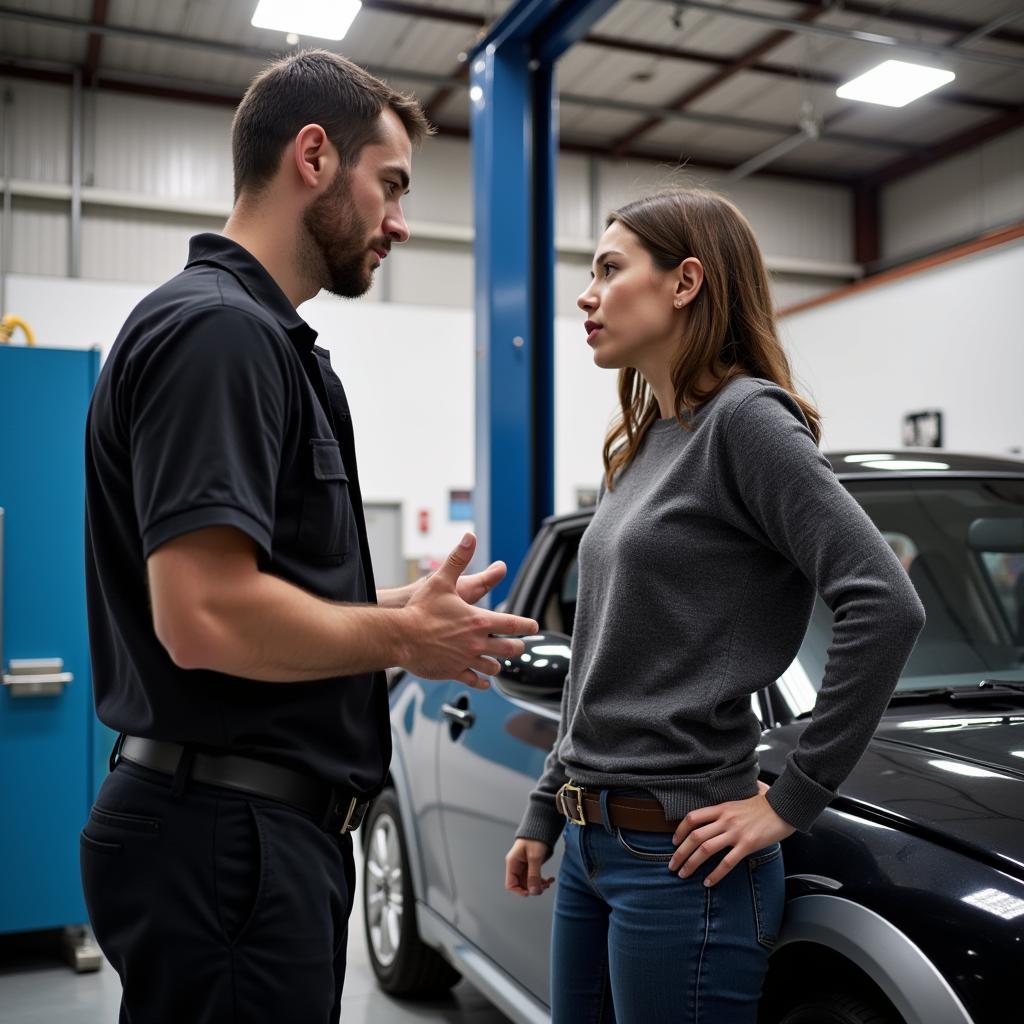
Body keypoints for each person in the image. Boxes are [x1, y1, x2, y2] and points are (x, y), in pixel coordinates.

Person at [81, 50, 538, 1024]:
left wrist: (387, 609)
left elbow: (253, 588)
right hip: (225, 839)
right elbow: (202, 617)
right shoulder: (219, 334)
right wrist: (399, 640)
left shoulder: (263, 342)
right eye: (394, 185)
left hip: (244, 834)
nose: (401, 223)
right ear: (316, 157)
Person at [503, 188, 926, 1023]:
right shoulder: (651, 443)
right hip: (591, 841)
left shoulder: (747, 423)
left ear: (685, 281)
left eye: (609, 269)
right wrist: (546, 808)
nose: (586, 295)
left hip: (680, 862)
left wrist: (791, 800)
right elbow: (600, 654)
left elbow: (885, 602)